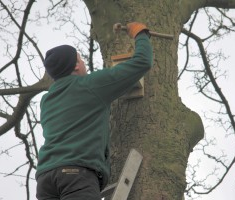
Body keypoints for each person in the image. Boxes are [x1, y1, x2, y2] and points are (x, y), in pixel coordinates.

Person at [35, 22, 153, 200]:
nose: (83, 63)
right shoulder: (89, 86)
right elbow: (142, 62)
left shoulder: (47, 100)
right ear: (75, 66)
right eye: (81, 59)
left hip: (45, 180)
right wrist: (140, 34)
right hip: (76, 175)